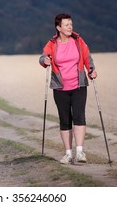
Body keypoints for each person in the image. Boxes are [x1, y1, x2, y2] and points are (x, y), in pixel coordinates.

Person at [39, 13, 97, 164]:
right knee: (65, 120)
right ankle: (68, 154)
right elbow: (43, 57)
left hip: (79, 85)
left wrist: (91, 70)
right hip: (60, 88)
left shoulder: (78, 41)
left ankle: (80, 153)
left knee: (79, 117)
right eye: (66, 24)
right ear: (58, 28)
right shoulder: (52, 43)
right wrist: (44, 60)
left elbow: (87, 57)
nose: (70, 27)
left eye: (71, 24)